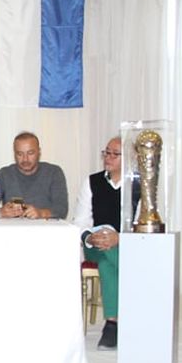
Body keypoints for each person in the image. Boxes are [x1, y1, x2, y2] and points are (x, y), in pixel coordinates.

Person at [72, 136, 122, 350]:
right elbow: (80, 221)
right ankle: (130, 313)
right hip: (95, 244)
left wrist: (119, 238)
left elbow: (141, 225)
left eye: (115, 154)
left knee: (108, 262)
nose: (108, 157)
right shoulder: (92, 182)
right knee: (105, 251)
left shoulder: (137, 184)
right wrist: (89, 237)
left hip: (125, 244)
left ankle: (112, 323)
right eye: (106, 152)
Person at [0, 132, 68, 219]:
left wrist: (41, 213)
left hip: (45, 226)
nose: (25, 159)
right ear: (14, 154)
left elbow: (61, 209)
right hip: (12, 227)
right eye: (20, 154)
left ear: (39, 152)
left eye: (30, 153)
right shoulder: (3, 175)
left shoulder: (54, 173)